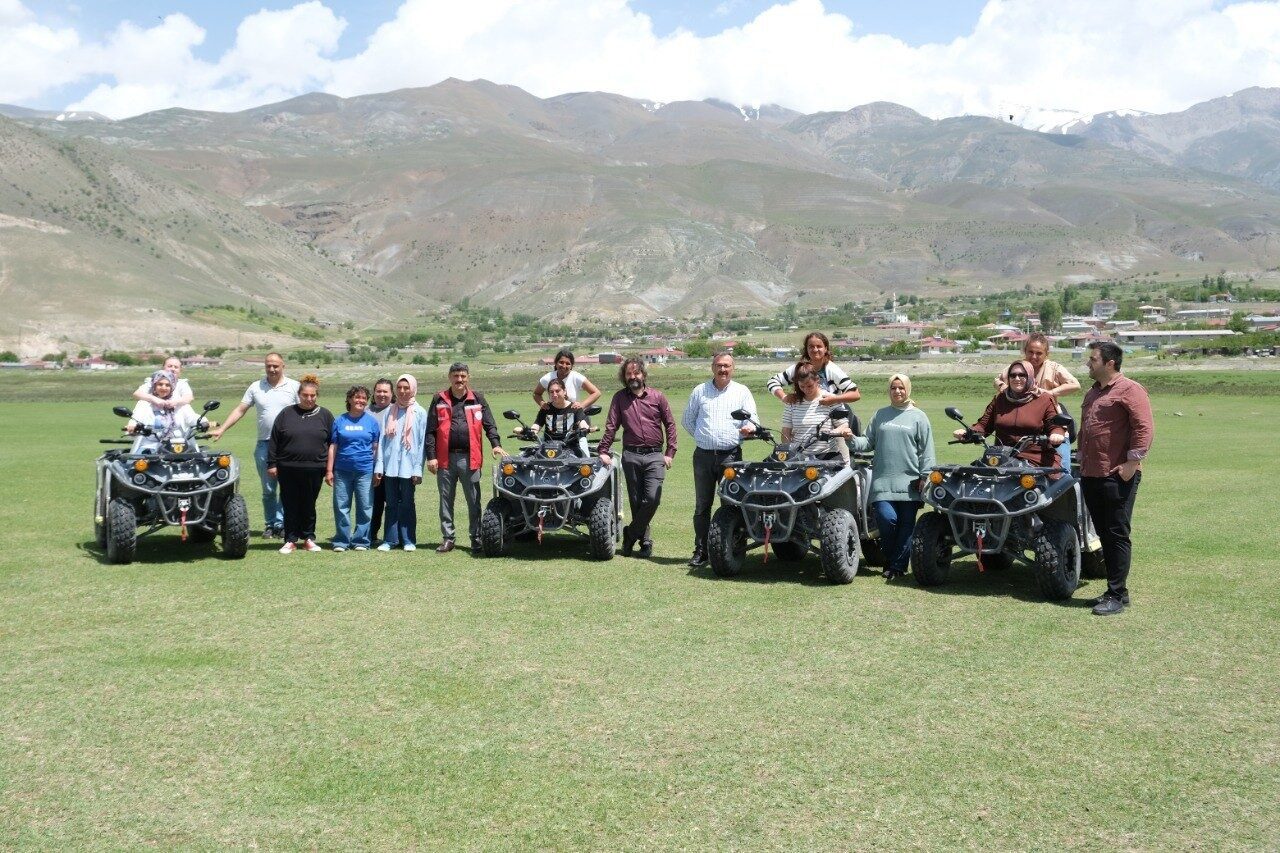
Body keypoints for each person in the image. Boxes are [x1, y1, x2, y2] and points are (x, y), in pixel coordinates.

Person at [1078, 341, 1155, 616]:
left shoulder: (1130, 390)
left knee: (1116, 534)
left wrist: (1132, 463)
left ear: (1109, 363)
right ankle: (1117, 592)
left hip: (1116, 474)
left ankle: (1116, 594)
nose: (1088, 363)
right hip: (1091, 472)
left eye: (1093, 359)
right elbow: (1087, 430)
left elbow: (1144, 427)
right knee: (1104, 534)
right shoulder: (1093, 392)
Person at [850, 375, 936, 580]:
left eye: (901, 388)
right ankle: (890, 558)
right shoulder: (880, 414)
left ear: (908, 389)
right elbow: (867, 442)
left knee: (906, 526)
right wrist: (850, 439)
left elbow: (927, 451)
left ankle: (897, 566)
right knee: (886, 519)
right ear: (889, 390)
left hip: (910, 482)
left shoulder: (919, 417)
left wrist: (925, 476)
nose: (897, 391)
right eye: (893, 388)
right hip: (882, 481)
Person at [210, 353, 300, 538]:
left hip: (289, 446)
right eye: (268, 366)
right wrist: (222, 428)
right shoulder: (255, 387)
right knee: (268, 489)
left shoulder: (294, 386)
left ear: (283, 366)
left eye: (275, 366)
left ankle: (282, 523)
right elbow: (240, 409)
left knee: (288, 488)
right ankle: (270, 524)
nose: (272, 369)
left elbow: (305, 411)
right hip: (264, 444)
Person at [681, 352, 756, 568]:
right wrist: (703, 437)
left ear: (733, 368)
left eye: (727, 366)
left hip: (731, 457)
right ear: (712, 367)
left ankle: (728, 549)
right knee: (702, 505)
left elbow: (752, 420)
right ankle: (701, 550)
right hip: (703, 457)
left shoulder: (742, 392)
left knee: (731, 505)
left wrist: (748, 428)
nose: (723, 369)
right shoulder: (700, 391)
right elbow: (687, 420)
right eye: (719, 365)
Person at [598, 357, 677, 559]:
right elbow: (611, 426)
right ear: (624, 377)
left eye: (636, 373)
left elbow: (670, 424)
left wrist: (670, 453)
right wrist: (603, 450)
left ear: (643, 374)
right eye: (628, 374)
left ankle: (630, 533)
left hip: (655, 455)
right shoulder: (619, 398)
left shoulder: (658, 397)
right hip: (631, 455)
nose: (633, 376)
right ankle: (645, 542)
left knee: (652, 499)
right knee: (636, 501)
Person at [425, 363, 505, 553]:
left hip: (470, 458)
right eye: (455, 376)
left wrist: (495, 444)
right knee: (446, 500)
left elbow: (489, 424)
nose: (459, 379)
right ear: (449, 377)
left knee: (473, 500)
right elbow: (430, 431)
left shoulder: (477, 398)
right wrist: (431, 456)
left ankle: (476, 538)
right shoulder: (439, 399)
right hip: (445, 459)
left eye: (462, 376)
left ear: (468, 377)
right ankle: (448, 538)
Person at [953, 359, 1066, 468]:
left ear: (1030, 376)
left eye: (1022, 375)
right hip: (1002, 457)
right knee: (971, 476)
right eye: (1013, 375)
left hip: (1035, 458)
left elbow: (1055, 425)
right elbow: (983, 425)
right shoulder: (1000, 398)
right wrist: (967, 433)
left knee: (1053, 480)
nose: (1017, 378)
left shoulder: (1044, 399)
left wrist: (1056, 434)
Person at [994, 332, 1081, 469]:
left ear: (1046, 353)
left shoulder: (1054, 368)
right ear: (1025, 351)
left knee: (1062, 469)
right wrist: (1004, 388)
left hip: (1051, 424)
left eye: (1039, 353)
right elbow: (997, 380)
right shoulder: (1018, 367)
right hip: (1024, 425)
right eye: (1030, 352)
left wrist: (1049, 393)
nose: (1034, 356)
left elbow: (1075, 384)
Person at [267, 374, 334, 554]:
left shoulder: (325, 415)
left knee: (309, 504)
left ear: (317, 396)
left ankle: (308, 538)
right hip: (287, 468)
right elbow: (274, 440)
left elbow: (332, 443)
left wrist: (330, 469)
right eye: (305, 395)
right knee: (290, 504)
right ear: (299, 395)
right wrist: (272, 464)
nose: (309, 399)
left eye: (313, 395)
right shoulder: (286, 413)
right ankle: (290, 539)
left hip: (315, 468)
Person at [374, 374, 427, 551]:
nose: (403, 391)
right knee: (390, 504)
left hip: (409, 468)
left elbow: (422, 443)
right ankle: (390, 540)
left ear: (413, 389)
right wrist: (379, 466)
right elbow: (382, 440)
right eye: (399, 388)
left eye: (406, 388)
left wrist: (417, 469)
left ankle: (408, 540)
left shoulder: (420, 412)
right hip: (390, 467)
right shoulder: (390, 411)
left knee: (407, 503)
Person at [327, 385, 380, 552]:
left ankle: (361, 541)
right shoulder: (339, 421)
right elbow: (333, 446)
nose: (361, 400)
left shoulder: (372, 422)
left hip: (365, 471)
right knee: (341, 506)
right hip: (342, 470)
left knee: (365, 506)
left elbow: (375, 448)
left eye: (364, 398)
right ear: (349, 399)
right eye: (357, 397)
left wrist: (376, 469)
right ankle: (341, 541)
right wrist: (329, 470)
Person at [766, 331, 861, 408]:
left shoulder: (832, 370)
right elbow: (772, 382)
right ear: (806, 349)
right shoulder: (799, 368)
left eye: (819, 346)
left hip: (830, 418)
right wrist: (784, 397)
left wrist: (834, 399)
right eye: (811, 346)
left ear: (825, 348)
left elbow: (855, 394)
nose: (815, 350)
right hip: (802, 417)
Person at [782, 361, 854, 459]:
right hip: (799, 457)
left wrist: (830, 433)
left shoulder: (830, 399)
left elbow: (843, 425)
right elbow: (786, 432)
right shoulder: (793, 402)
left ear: (817, 380)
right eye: (802, 386)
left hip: (826, 455)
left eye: (809, 386)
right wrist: (790, 453)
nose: (806, 390)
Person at [125, 369, 201, 454]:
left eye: (167, 385)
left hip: (178, 447)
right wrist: (132, 426)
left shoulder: (179, 403)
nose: (164, 388)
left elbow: (192, 417)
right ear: (154, 385)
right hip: (150, 446)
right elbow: (137, 417)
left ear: (172, 387)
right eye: (160, 384)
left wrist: (204, 422)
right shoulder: (145, 403)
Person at [529, 377, 590, 456]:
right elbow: (537, 425)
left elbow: (582, 422)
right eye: (551, 392)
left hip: (570, 447)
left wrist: (585, 428)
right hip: (548, 447)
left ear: (564, 391)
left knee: (585, 461)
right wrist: (529, 432)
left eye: (557, 391)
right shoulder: (546, 408)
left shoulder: (575, 408)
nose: (554, 394)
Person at [367, 378, 394, 543]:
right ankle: (370, 535)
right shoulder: (366, 411)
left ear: (392, 394)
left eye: (385, 391)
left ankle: (392, 537)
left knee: (392, 503)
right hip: (370, 465)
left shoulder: (397, 410)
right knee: (373, 502)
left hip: (392, 466)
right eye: (379, 391)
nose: (382, 394)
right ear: (374, 392)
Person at [533, 349, 602, 411]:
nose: (564, 366)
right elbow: (536, 394)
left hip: (574, 416)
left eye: (568, 363)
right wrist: (542, 404)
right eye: (561, 362)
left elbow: (596, 393)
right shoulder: (547, 378)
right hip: (553, 416)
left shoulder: (576, 377)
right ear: (556, 363)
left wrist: (582, 406)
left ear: (571, 366)